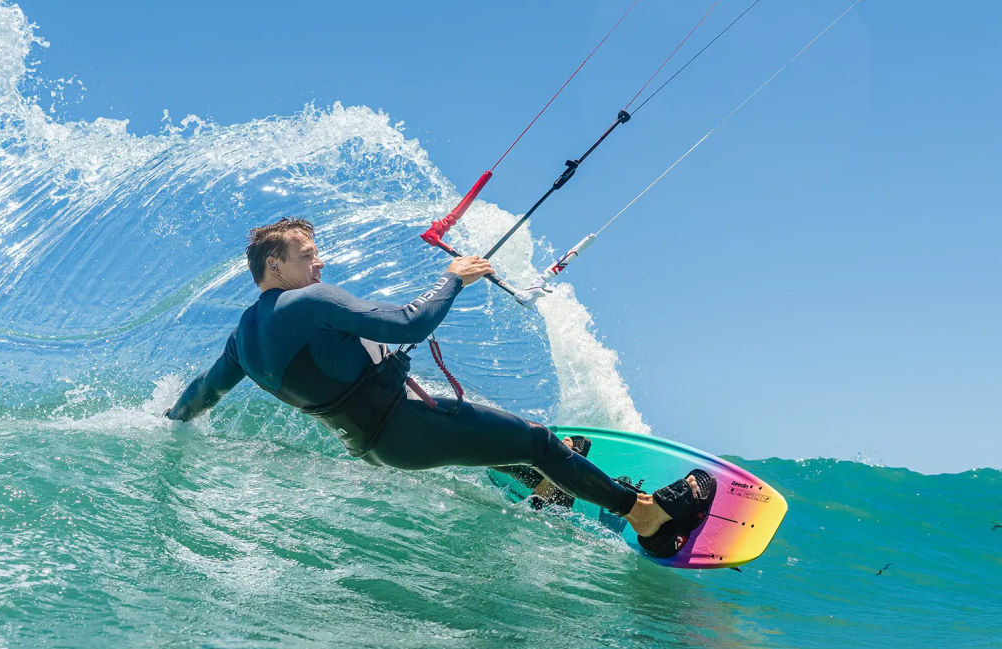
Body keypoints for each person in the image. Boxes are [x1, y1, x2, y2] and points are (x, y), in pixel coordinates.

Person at [165, 217, 715, 557]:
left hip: (376, 445)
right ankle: (648, 518)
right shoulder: (308, 300)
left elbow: (202, 394)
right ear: (274, 264)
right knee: (537, 440)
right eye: (308, 255)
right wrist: (453, 279)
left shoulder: (243, 338)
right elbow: (409, 324)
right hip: (405, 425)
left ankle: (549, 489)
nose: (319, 262)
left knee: (486, 439)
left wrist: (166, 421)